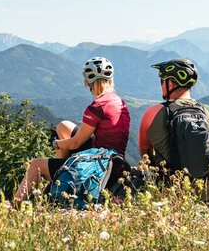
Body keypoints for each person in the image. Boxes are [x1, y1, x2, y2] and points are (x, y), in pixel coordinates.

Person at [14, 57, 131, 205]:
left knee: (36, 164)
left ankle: (14, 206)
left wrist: (57, 144)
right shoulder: (119, 101)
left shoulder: (96, 107)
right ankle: (61, 171)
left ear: (88, 82)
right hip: (116, 161)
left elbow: (75, 143)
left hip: (99, 166)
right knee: (64, 126)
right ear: (110, 80)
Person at [138, 58, 209, 201]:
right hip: (207, 190)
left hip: (170, 190)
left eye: (162, 81)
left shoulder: (152, 113)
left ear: (170, 83)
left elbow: (145, 153)